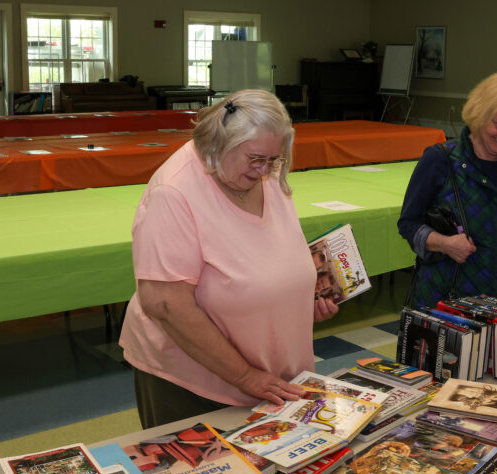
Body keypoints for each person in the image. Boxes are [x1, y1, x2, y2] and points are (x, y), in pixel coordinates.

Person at [119, 90, 338, 429]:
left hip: (270, 376)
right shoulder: (174, 192)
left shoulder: (263, 172)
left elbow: (267, 255)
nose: (265, 170)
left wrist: (299, 299)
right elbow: (164, 303)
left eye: (274, 159)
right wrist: (246, 376)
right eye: (255, 159)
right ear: (218, 144)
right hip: (196, 381)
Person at [398, 72, 497, 309]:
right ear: (479, 115)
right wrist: (444, 243)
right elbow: (408, 224)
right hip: (450, 303)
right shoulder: (440, 160)